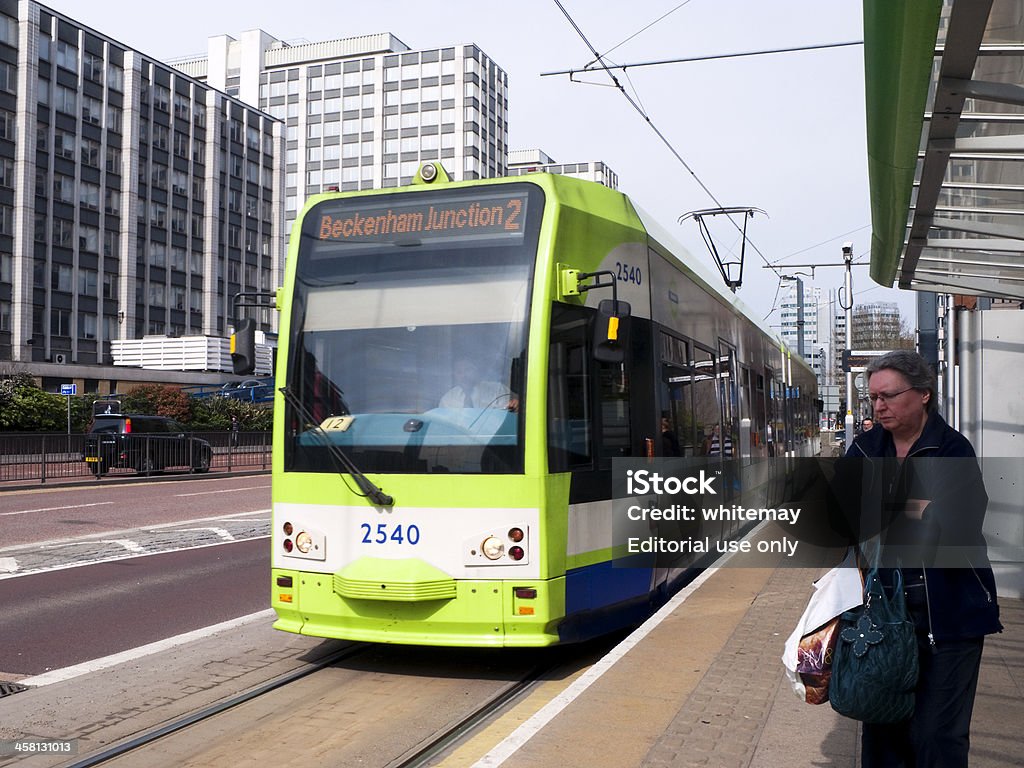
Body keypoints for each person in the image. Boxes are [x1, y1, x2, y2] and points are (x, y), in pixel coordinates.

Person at [842, 350, 1001, 767]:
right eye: (873, 397)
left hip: (949, 615)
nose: (879, 406)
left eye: (889, 396)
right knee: (883, 730)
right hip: (881, 615)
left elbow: (959, 520)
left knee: (936, 737)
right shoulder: (863, 450)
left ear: (924, 395)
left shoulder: (951, 449)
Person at [439, 358, 517, 410]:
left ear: (477, 371)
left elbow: (506, 415)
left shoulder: (497, 390)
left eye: (468, 369)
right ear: (454, 375)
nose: (464, 375)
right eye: (459, 372)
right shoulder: (448, 399)